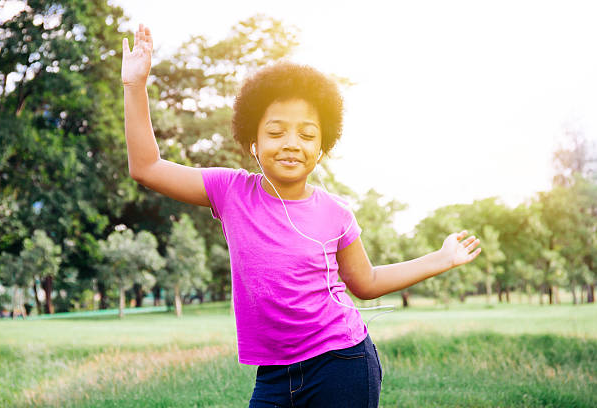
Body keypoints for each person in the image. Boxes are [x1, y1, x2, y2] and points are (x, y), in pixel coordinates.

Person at [122, 24, 482, 408]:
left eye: (307, 135)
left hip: (342, 363)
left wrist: (441, 259)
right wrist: (135, 86)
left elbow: (367, 282)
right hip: (274, 373)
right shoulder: (230, 191)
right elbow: (146, 166)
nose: (292, 143)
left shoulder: (336, 213)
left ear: (321, 150)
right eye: (277, 132)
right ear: (254, 142)